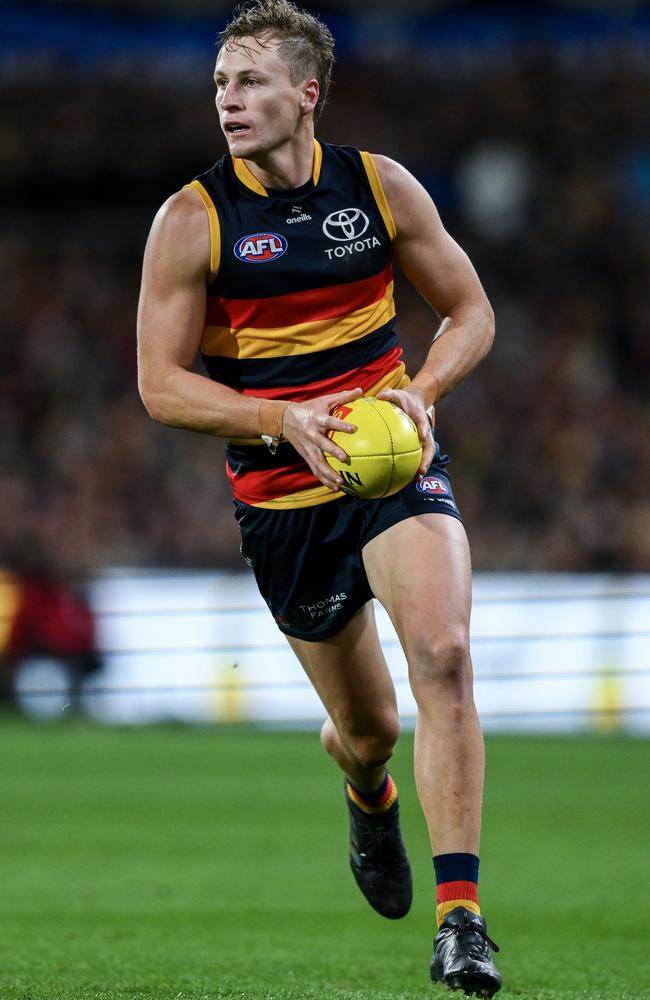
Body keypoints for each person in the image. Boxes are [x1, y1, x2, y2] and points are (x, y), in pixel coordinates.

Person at [137, 1, 501, 994]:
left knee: (446, 652)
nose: (229, 99)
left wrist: (418, 396)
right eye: (219, 83)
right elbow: (160, 386)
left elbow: (469, 311)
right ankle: (366, 791)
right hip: (282, 500)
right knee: (370, 727)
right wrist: (283, 420)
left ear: (306, 93)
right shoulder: (191, 220)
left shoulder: (378, 188)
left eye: (250, 81)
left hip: (393, 472)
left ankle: (460, 918)